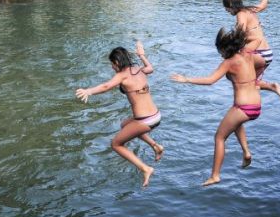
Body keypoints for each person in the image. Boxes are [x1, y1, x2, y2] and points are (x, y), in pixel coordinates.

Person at [172, 27, 261, 186]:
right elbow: (258, 39)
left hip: (242, 107)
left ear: (225, 49)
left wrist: (186, 79)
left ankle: (215, 175)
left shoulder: (228, 62)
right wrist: (242, 38)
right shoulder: (247, 53)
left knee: (219, 137)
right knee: (236, 124)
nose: (219, 54)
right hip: (256, 106)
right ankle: (246, 152)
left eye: (220, 51)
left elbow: (210, 80)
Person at [76, 41, 164, 187]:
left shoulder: (122, 76)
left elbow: (106, 86)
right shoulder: (138, 69)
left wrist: (88, 91)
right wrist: (142, 55)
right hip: (156, 115)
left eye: (112, 64)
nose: (112, 67)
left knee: (116, 144)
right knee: (125, 124)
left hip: (145, 121)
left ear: (117, 62)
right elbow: (150, 68)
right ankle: (156, 146)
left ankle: (145, 169)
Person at [222, 0, 280, 101]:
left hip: (258, 53)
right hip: (267, 54)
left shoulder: (240, 14)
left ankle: (272, 87)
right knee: (252, 84)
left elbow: (240, 32)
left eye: (227, 8)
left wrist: (228, 42)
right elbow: (263, 5)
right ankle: (257, 99)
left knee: (231, 73)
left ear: (231, 5)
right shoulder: (250, 10)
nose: (226, 11)